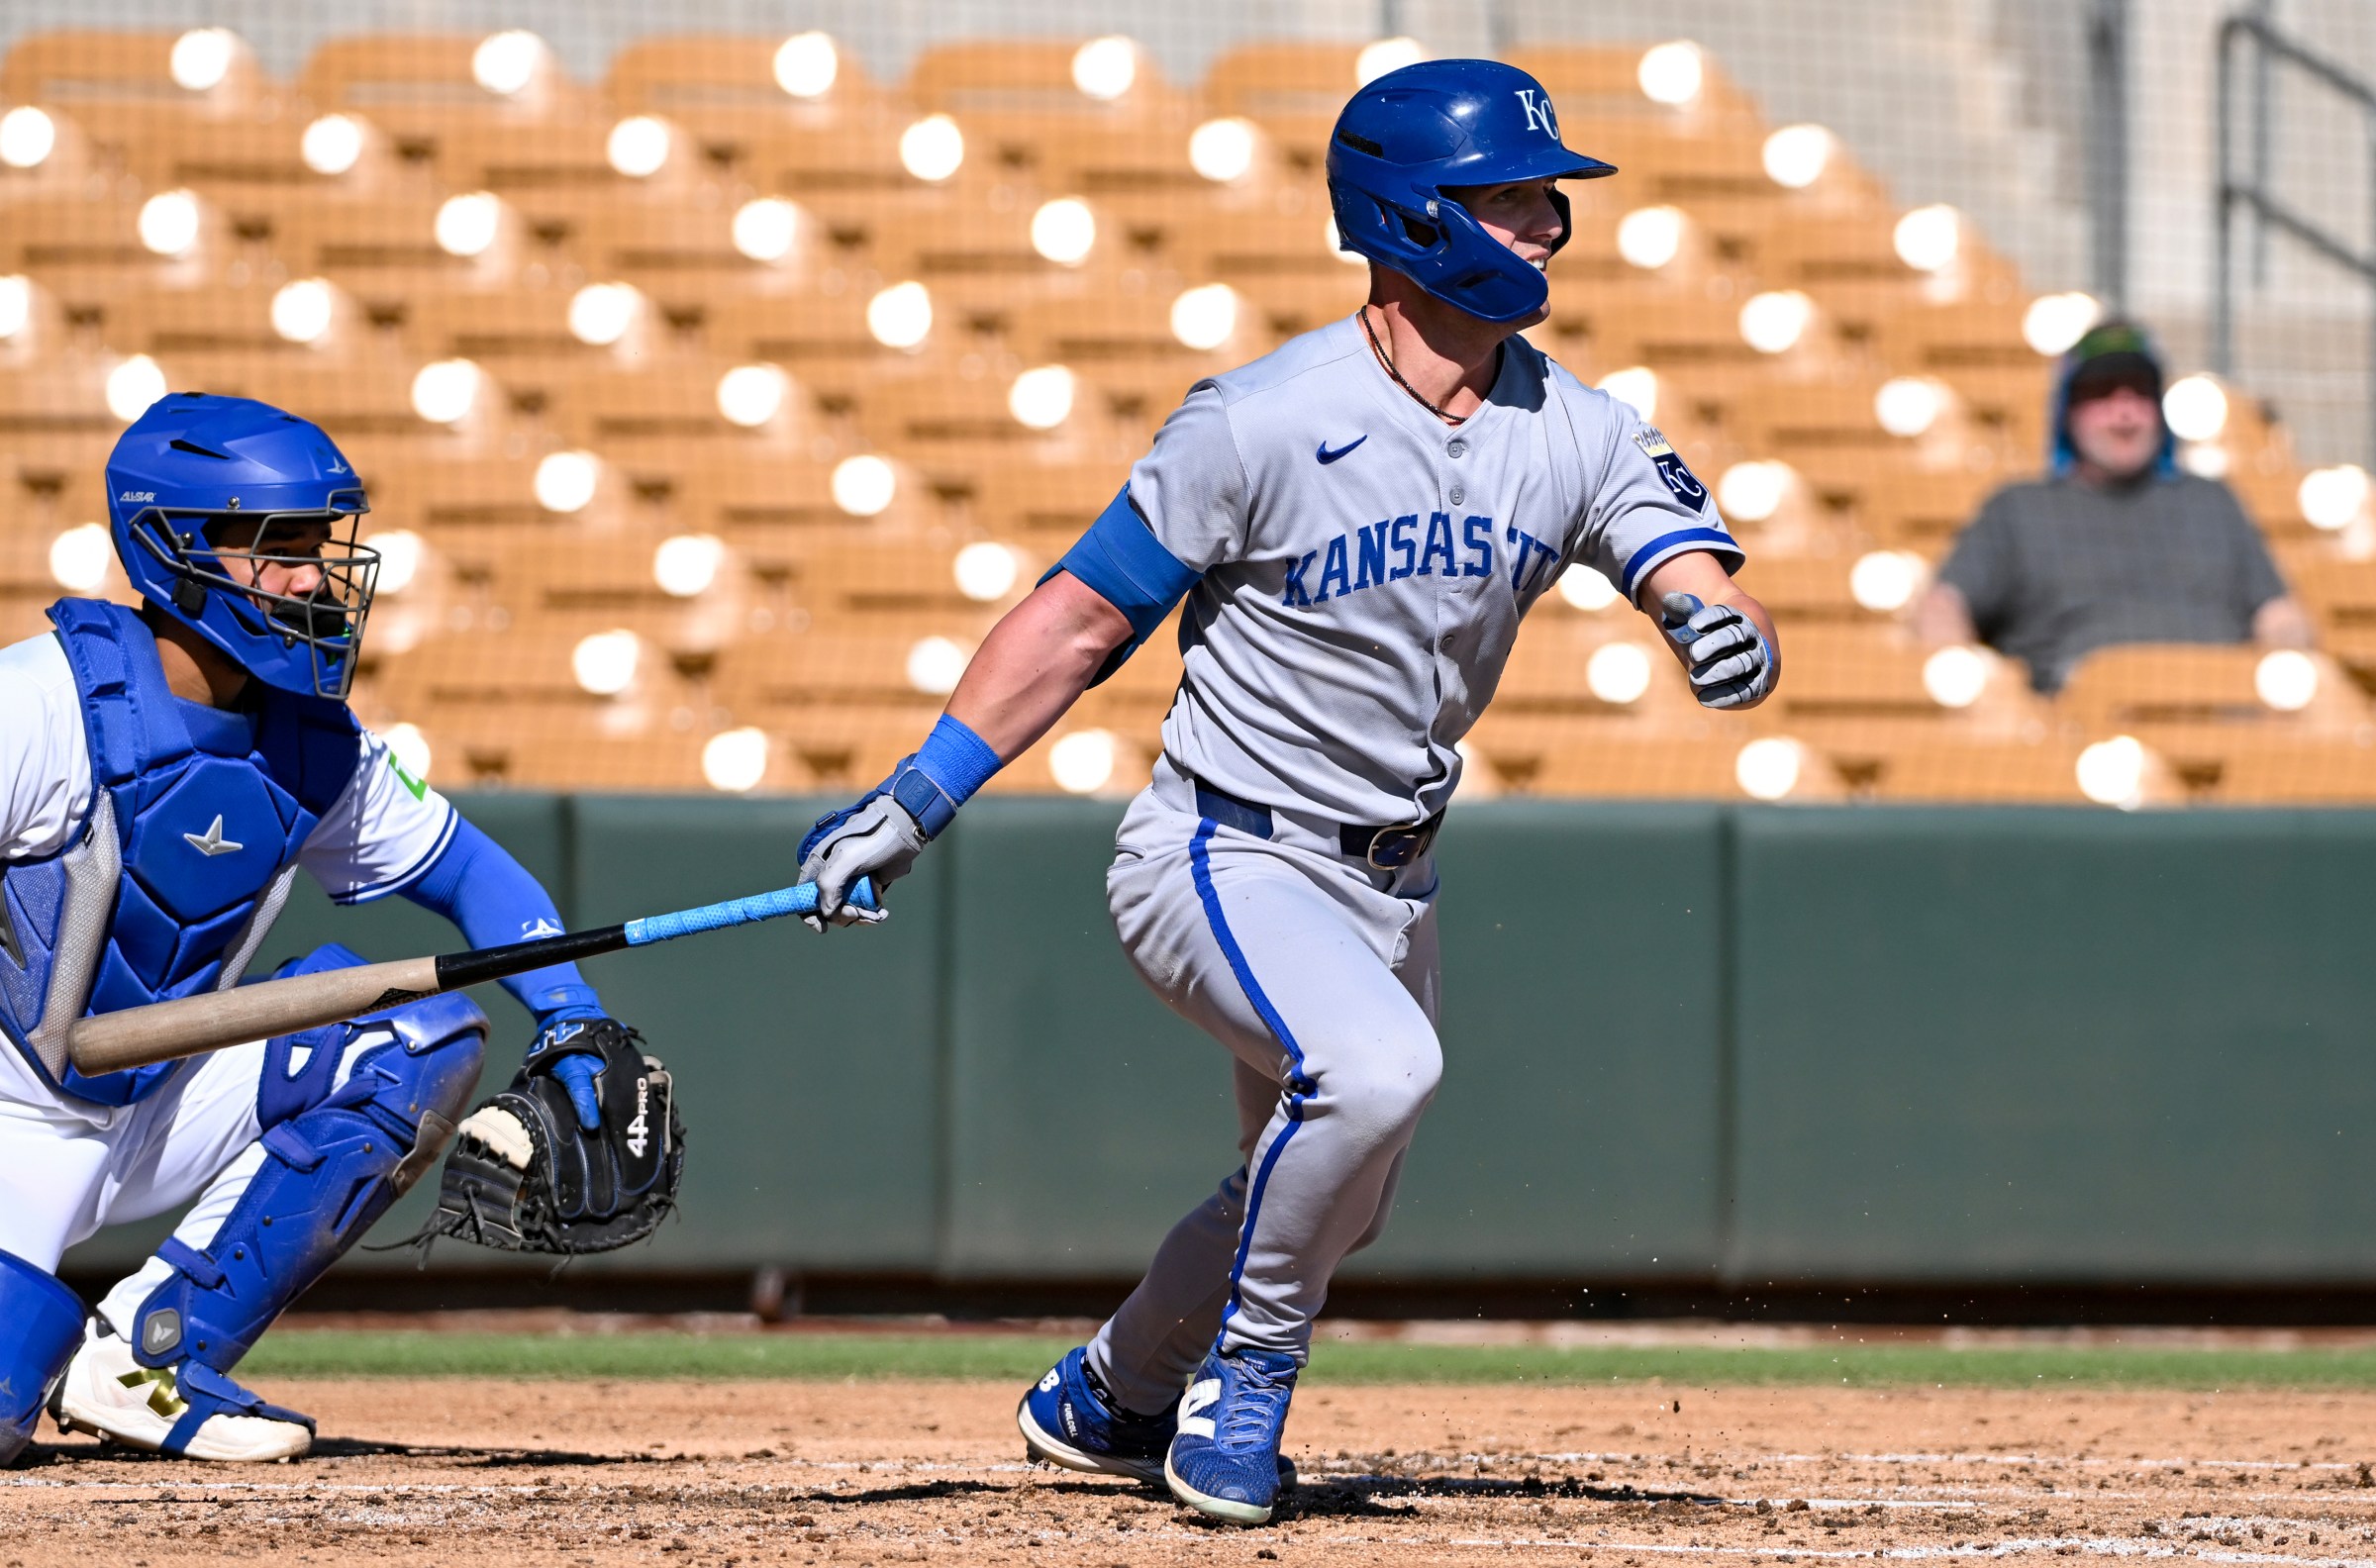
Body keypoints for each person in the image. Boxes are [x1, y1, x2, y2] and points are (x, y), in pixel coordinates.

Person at [793, 60, 1777, 1526]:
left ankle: (1108, 1392)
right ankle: (1237, 1392)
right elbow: (1078, 619)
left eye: (1547, 200)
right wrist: (916, 798)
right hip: (1221, 851)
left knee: (1340, 1189)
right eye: (1513, 198)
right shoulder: (1258, 419)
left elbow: (1661, 530)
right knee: (1377, 1077)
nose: (1549, 227)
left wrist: (1709, 613)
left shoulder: (1572, 420)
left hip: (1392, 881)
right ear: (1413, 218)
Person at [0, 393, 642, 1464]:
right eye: (275, 550)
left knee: (420, 1031)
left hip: (145, 1112)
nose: (312, 579)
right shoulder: (37, 704)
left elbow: (470, 872)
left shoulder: (317, 747)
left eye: (318, 548)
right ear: (173, 548)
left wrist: (573, 1016)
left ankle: (155, 1357)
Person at [1914, 320, 2312, 691]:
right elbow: (1942, 608)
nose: (2124, 413)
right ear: (2068, 412)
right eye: (2102, 393)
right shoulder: (2018, 510)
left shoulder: (2212, 503)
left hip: (2221, 711)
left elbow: (2279, 616)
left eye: (2140, 393)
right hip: (2074, 734)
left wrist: (2287, 659)